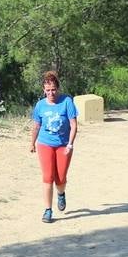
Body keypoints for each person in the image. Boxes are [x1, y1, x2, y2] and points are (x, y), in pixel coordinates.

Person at [30, 71, 78, 223]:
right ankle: (48, 210)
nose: (51, 93)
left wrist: (70, 144)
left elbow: (73, 124)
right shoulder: (40, 105)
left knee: (61, 178)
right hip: (45, 143)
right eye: (48, 90)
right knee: (48, 177)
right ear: (44, 90)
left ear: (58, 88)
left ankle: (61, 194)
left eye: (53, 89)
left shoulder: (67, 102)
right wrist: (32, 143)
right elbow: (37, 126)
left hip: (64, 145)